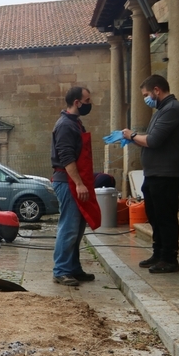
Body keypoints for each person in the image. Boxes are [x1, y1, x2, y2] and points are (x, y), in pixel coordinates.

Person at [121, 74, 179, 274]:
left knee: (165, 217)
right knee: (154, 215)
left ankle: (169, 258)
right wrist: (133, 137)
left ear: (157, 90)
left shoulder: (173, 109)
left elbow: (154, 140)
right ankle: (158, 252)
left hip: (167, 175)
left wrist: (132, 135)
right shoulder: (161, 110)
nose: (146, 99)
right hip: (155, 174)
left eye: (146, 95)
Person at [51, 86, 101, 286]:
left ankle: (73, 268)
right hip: (68, 182)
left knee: (78, 228)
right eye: (87, 100)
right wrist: (79, 183)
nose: (90, 103)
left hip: (76, 182)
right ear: (77, 102)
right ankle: (61, 270)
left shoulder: (76, 123)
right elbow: (66, 157)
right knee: (69, 227)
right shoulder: (65, 125)